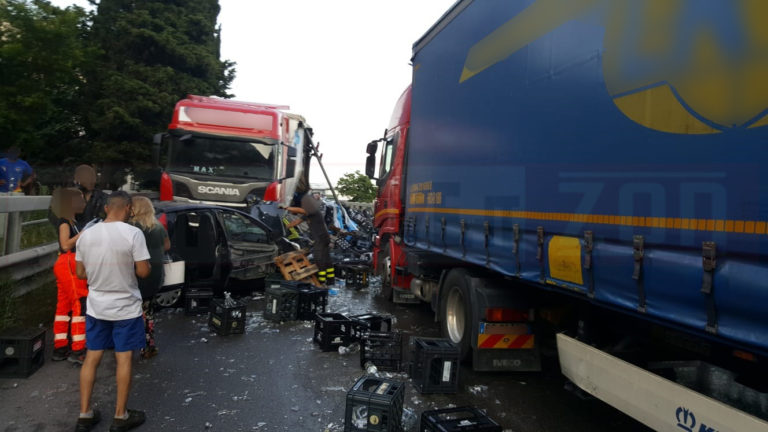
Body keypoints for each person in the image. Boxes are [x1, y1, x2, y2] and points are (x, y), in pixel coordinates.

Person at [74, 191, 151, 432]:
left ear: (106, 208)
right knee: (124, 358)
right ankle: (120, 416)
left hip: (97, 305)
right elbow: (143, 272)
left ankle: (85, 414)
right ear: (128, 208)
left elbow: (80, 273)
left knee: (92, 357)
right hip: (125, 307)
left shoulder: (86, 235)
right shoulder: (133, 234)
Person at [50, 188, 89, 364]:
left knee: (63, 306)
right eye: (80, 200)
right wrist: (82, 235)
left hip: (64, 264)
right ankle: (78, 348)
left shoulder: (70, 221)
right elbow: (65, 245)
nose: (83, 203)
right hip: (69, 262)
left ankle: (60, 347)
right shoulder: (65, 222)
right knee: (79, 303)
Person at [129, 196, 170, 359]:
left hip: (138, 273)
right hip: (156, 273)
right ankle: (149, 345)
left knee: (132, 311)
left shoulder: (131, 227)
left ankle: (127, 343)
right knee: (148, 310)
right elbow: (167, 245)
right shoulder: (158, 225)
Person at [286, 178, 335, 285]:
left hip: (321, 238)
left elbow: (299, 210)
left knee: (319, 258)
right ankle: (330, 280)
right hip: (324, 237)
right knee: (326, 258)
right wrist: (286, 226)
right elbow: (296, 222)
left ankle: (321, 281)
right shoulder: (308, 214)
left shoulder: (313, 211)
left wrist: (286, 207)